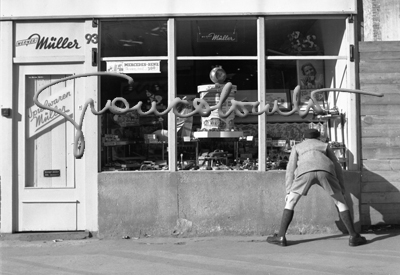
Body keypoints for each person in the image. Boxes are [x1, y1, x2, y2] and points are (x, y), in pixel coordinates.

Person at [266, 129, 367, 247]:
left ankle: (281, 236)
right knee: (340, 202)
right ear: (318, 137)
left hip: (304, 172)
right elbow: (337, 167)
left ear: (304, 138)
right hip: (326, 171)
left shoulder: (297, 147)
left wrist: (288, 191)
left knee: (291, 202)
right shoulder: (324, 145)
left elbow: (290, 169)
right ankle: (353, 236)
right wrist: (341, 189)